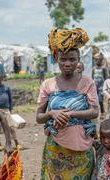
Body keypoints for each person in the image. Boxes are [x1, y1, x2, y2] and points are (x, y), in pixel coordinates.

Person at [37, 28, 99, 179]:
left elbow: (94, 112)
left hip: (81, 145)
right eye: (63, 59)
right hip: (56, 145)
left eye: (72, 59)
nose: (67, 63)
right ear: (56, 59)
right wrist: (52, 113)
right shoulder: (48, 84)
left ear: (78, 60)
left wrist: (70, 114)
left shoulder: (87, 82)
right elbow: (39, 117)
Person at [92, 53, 108, 117]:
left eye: (99, 60)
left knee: (100, 100)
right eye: (96, 60)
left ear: (101, 60)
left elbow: (106, 78)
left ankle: (102, 111)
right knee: (95, 99)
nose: (97, 61)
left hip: (101, 86)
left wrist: (106, 86)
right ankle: (96, 111)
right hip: (95, 86)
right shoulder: (93, 68)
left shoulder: (103, 68)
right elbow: (92, 77)